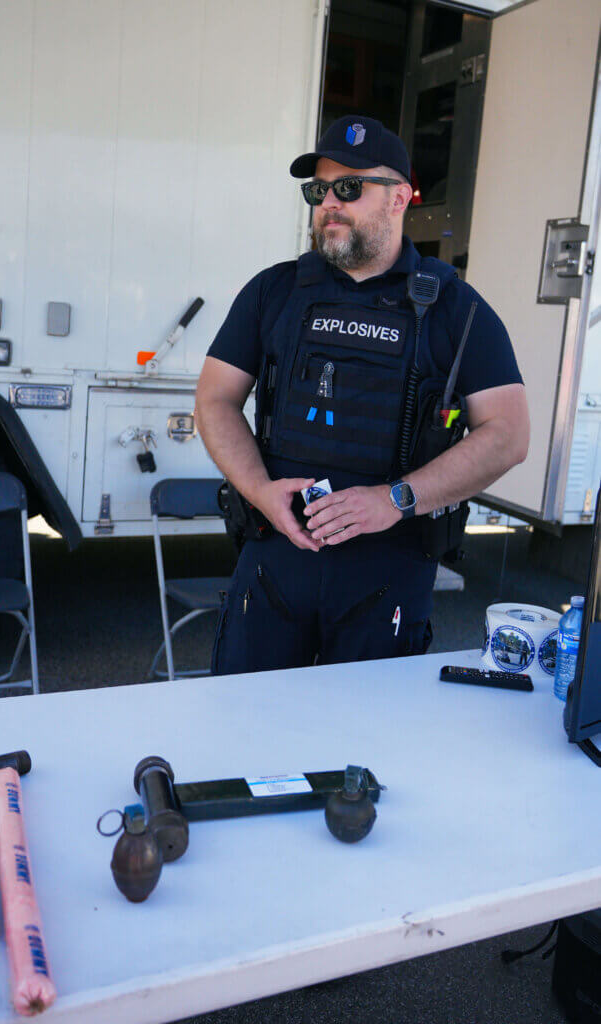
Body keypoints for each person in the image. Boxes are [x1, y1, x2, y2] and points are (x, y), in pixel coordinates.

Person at [196, 115, 529, 675]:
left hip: (388, 572)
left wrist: (393, 499)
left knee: (363, 753)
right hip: (276, 557)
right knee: (243, 737)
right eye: (318, 189)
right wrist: (260, 491)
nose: (330, 201)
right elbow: (214, 401)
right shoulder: (274, 292)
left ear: (399, 198)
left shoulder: (456, 309)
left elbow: (510, 434)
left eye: (349, 188)